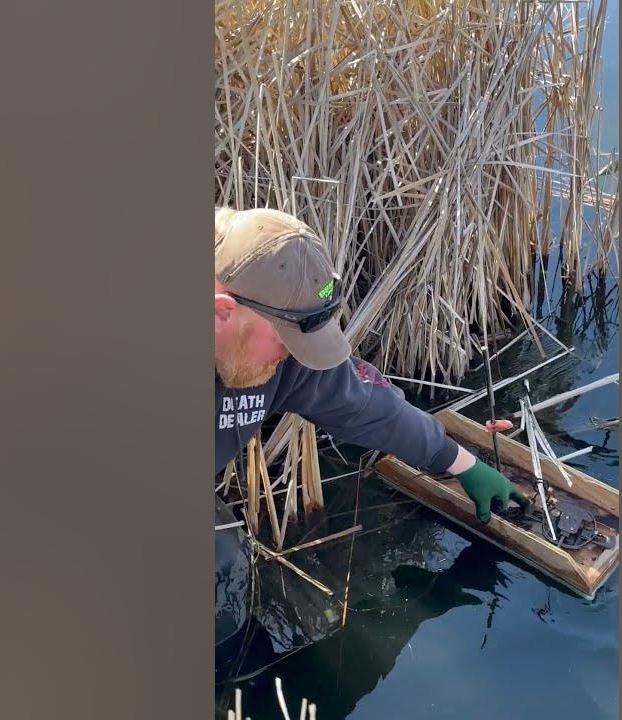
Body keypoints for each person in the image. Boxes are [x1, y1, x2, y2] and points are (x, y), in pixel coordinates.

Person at [214, 206, 528, 523]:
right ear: (222, 313)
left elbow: (365, 405)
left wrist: (461, 463)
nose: (292, 356)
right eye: (285, 341)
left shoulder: (280, 355)